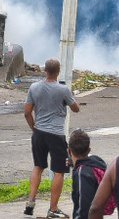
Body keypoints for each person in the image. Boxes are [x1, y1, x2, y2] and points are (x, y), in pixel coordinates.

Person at [23, 58, 79, 218]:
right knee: (59, 171)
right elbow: (76, 109)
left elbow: (27, 112)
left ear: (45, 71)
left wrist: (34, 128)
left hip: (39, 133)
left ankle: (30, 203)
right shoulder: (63, 90)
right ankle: (53, 209)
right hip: (56, 135)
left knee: (38, 167)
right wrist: (71, 98)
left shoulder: (34, 87)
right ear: (58, 71)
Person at [67, 129, 113, 219]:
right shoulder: (96, 162)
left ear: (69, 151)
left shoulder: (82, 174)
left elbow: (83, 207)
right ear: (88, 150)